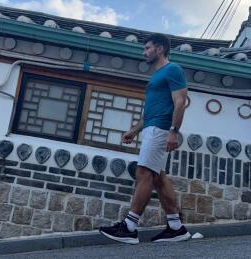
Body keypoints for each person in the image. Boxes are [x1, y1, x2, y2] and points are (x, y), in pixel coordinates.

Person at [99, 33, 189, 244]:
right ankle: (176, 227)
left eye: (147, 48)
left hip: (160, 129)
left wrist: (173, 131)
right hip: (152, 127)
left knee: (143, 173)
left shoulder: (173, 69)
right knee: (158, 177)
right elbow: (151, 111)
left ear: (159, 49)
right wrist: (134, 131)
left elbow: (180, 102)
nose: (144, 52)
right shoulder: (157, 76)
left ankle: (130, 227)